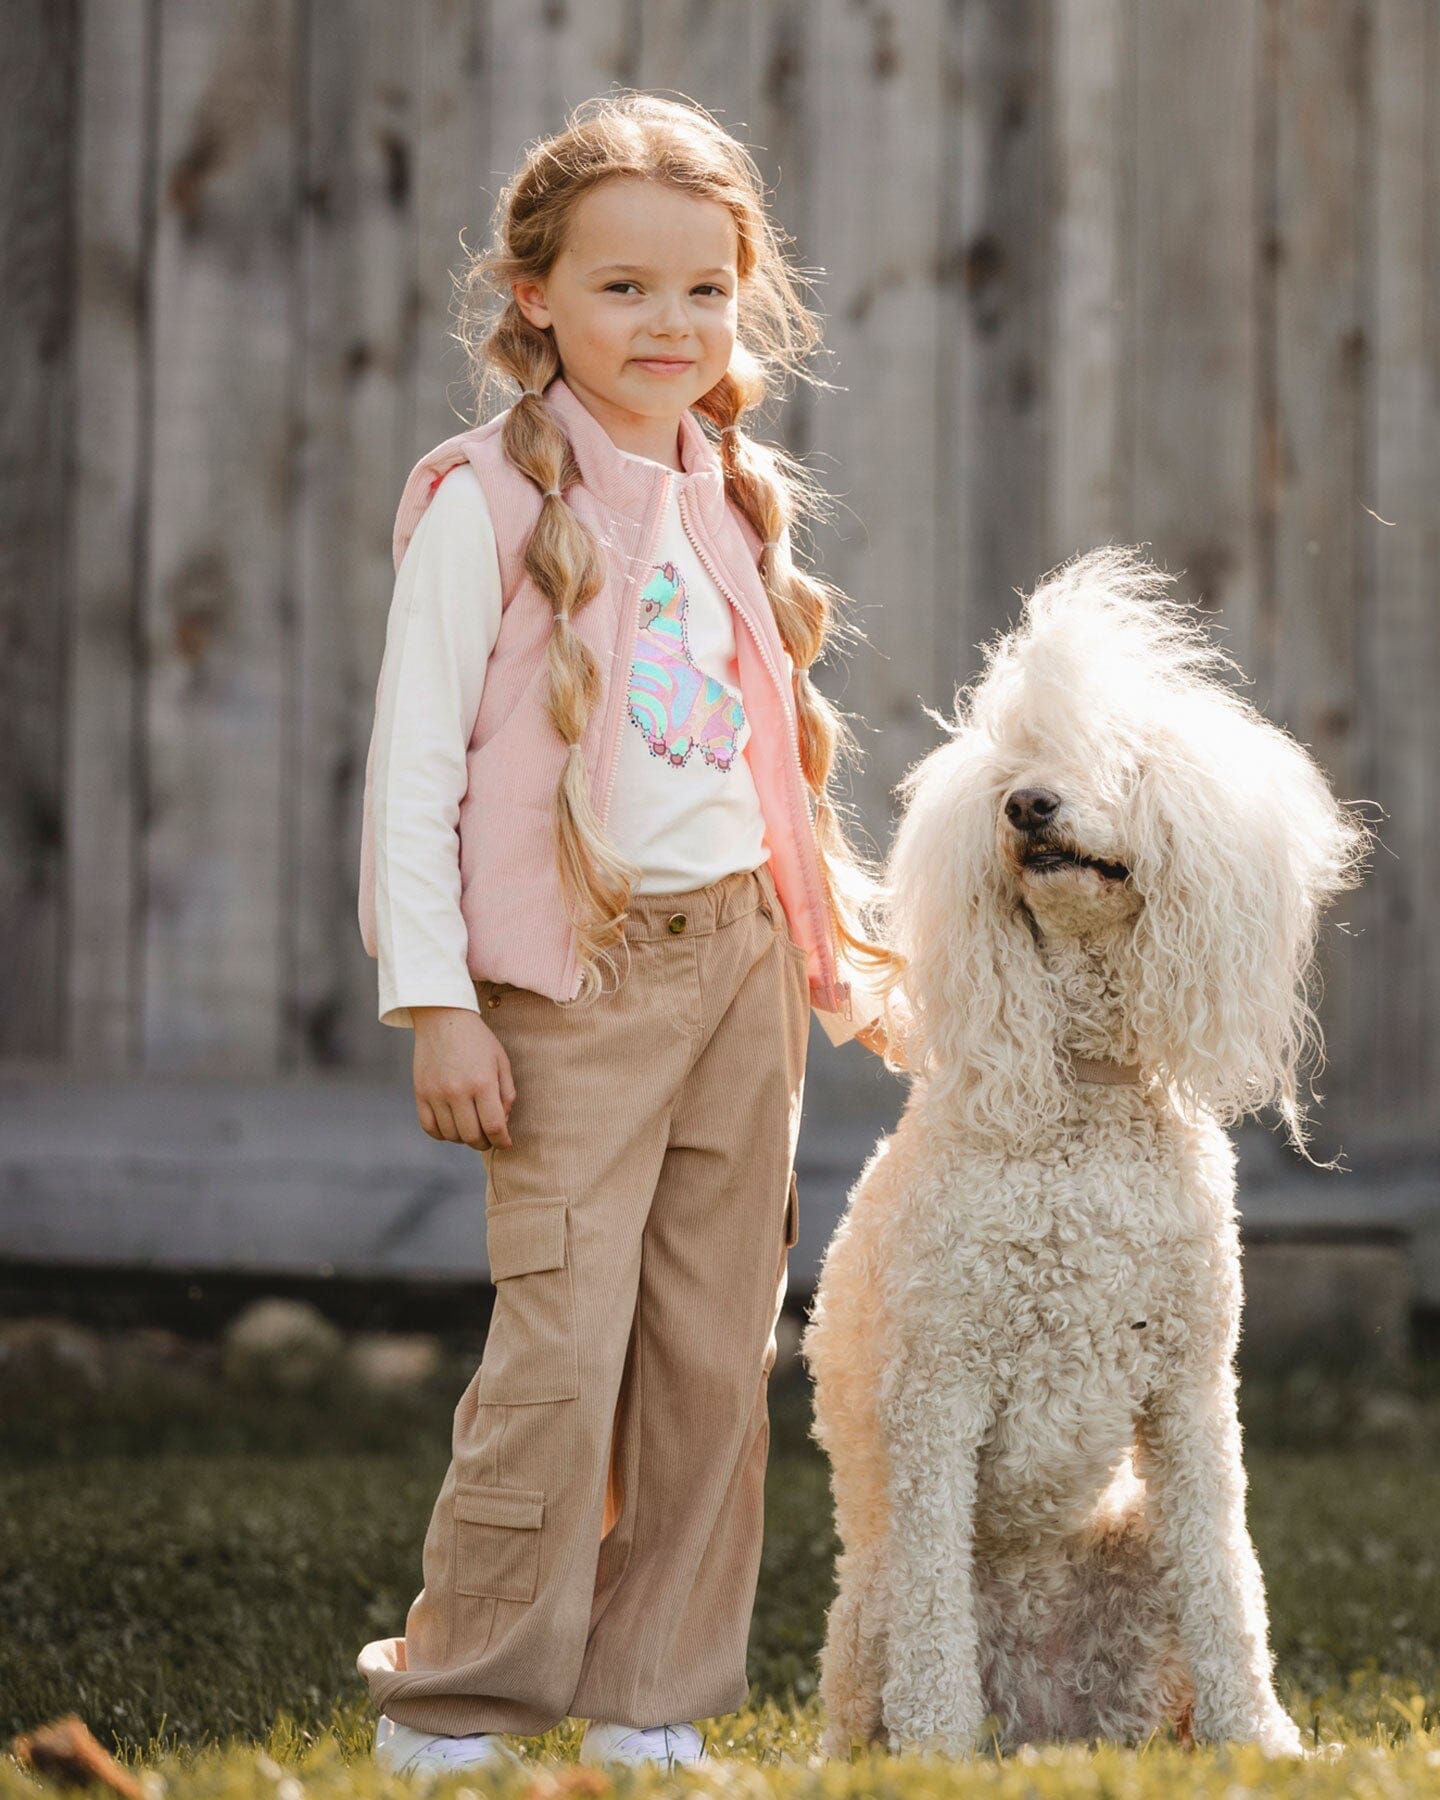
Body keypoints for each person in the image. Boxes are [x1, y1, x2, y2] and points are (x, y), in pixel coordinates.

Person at [354, 91, 903, 1779]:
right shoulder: (484, 503)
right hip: (575, 984)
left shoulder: (732, 492)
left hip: (739, 972)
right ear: (534, 295)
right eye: (623, 288)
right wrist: (440, 1003)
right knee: (561, 1345)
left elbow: (763, 772)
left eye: (705, 291)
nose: (671, 324)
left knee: (713, 1354)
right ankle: (461, 1696)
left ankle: (651, 1698)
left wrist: (835, 955)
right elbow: (413, 772)